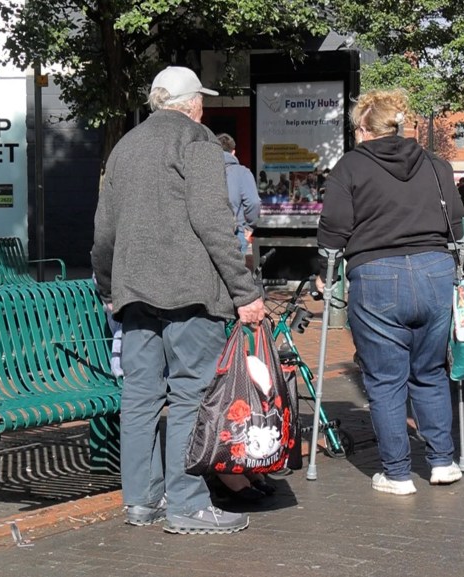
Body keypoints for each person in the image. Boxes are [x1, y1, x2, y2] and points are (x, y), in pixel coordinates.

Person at [91, 65, 266, 534]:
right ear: (192, 104)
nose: (202, 108)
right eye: (201, 101)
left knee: (140, 396)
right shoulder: (198, 142)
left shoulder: (125, 148)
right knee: (191, 393)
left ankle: (142, 502)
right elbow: (214, 221)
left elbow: (103, 231)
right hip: (191, 293)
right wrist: (245, 291)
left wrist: (109, 288)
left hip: (133, 295)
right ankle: (187, 505)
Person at [316, 88, 464, 496]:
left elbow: (334, 228)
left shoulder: (350, 167)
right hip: (435, 271)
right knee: (431, 371)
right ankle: (442, 461)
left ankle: (397, 473)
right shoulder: (436, 166)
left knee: (385, 380)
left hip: (378, 272)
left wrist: (323, 270)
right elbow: (455, 222)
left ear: (365, 128)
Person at [216, 133, 261, 255]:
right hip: (235, 233)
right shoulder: (242, 172)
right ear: (233, 152)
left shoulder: (203, 172)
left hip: (209, 233)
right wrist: (250, 226)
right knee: (234, 272)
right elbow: (253, 202)